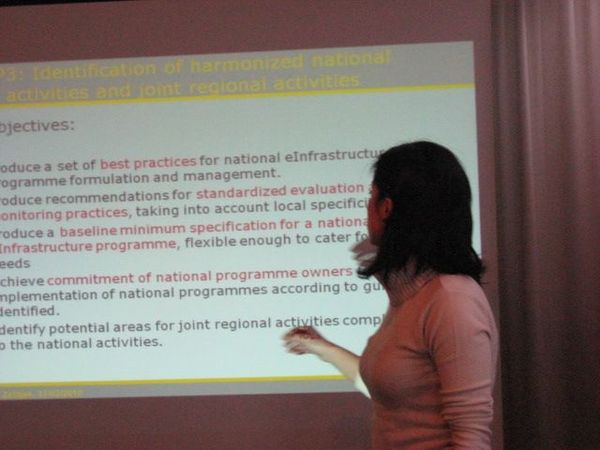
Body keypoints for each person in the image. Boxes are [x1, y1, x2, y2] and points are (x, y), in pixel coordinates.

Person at [283, 141, 498, 449]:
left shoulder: (452, 300)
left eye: (371, 195)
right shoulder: (411, 296)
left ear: (386, 207)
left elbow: (471, 438)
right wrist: (322, 348)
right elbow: (391, 391)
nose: (367, 206)